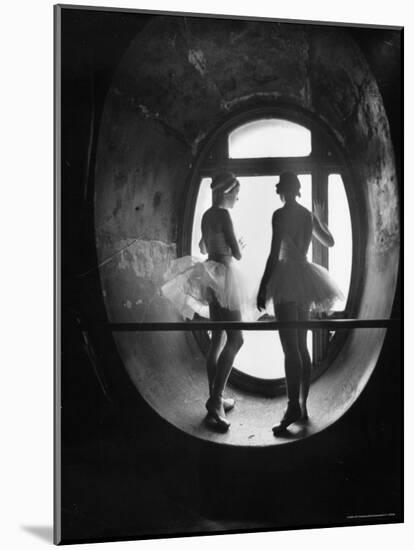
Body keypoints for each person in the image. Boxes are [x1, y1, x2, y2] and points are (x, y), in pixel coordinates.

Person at [257, 171, 343, 436]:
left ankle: (292, 406)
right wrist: (320, 218)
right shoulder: (307, 215)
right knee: (302, 348)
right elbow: (330, 241)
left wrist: (263, 286)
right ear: (298, 189)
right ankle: (303, 407)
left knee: (289, 349)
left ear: (282, 190)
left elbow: (274, 254)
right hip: (305, 278)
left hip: (285, 278)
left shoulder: (279, 215)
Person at [162, 172, 245, 432]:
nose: (237, 198)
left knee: (218, 339)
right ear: (227, 192)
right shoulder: (223, 214)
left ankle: (215, 399)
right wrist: (238, 244)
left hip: (210, 274)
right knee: (237, 340)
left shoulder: (207, 215)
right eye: (236, 193)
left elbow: (201, 243)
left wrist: (218, 245)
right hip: (224, 274)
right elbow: (238, 253)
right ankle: (216, 400)